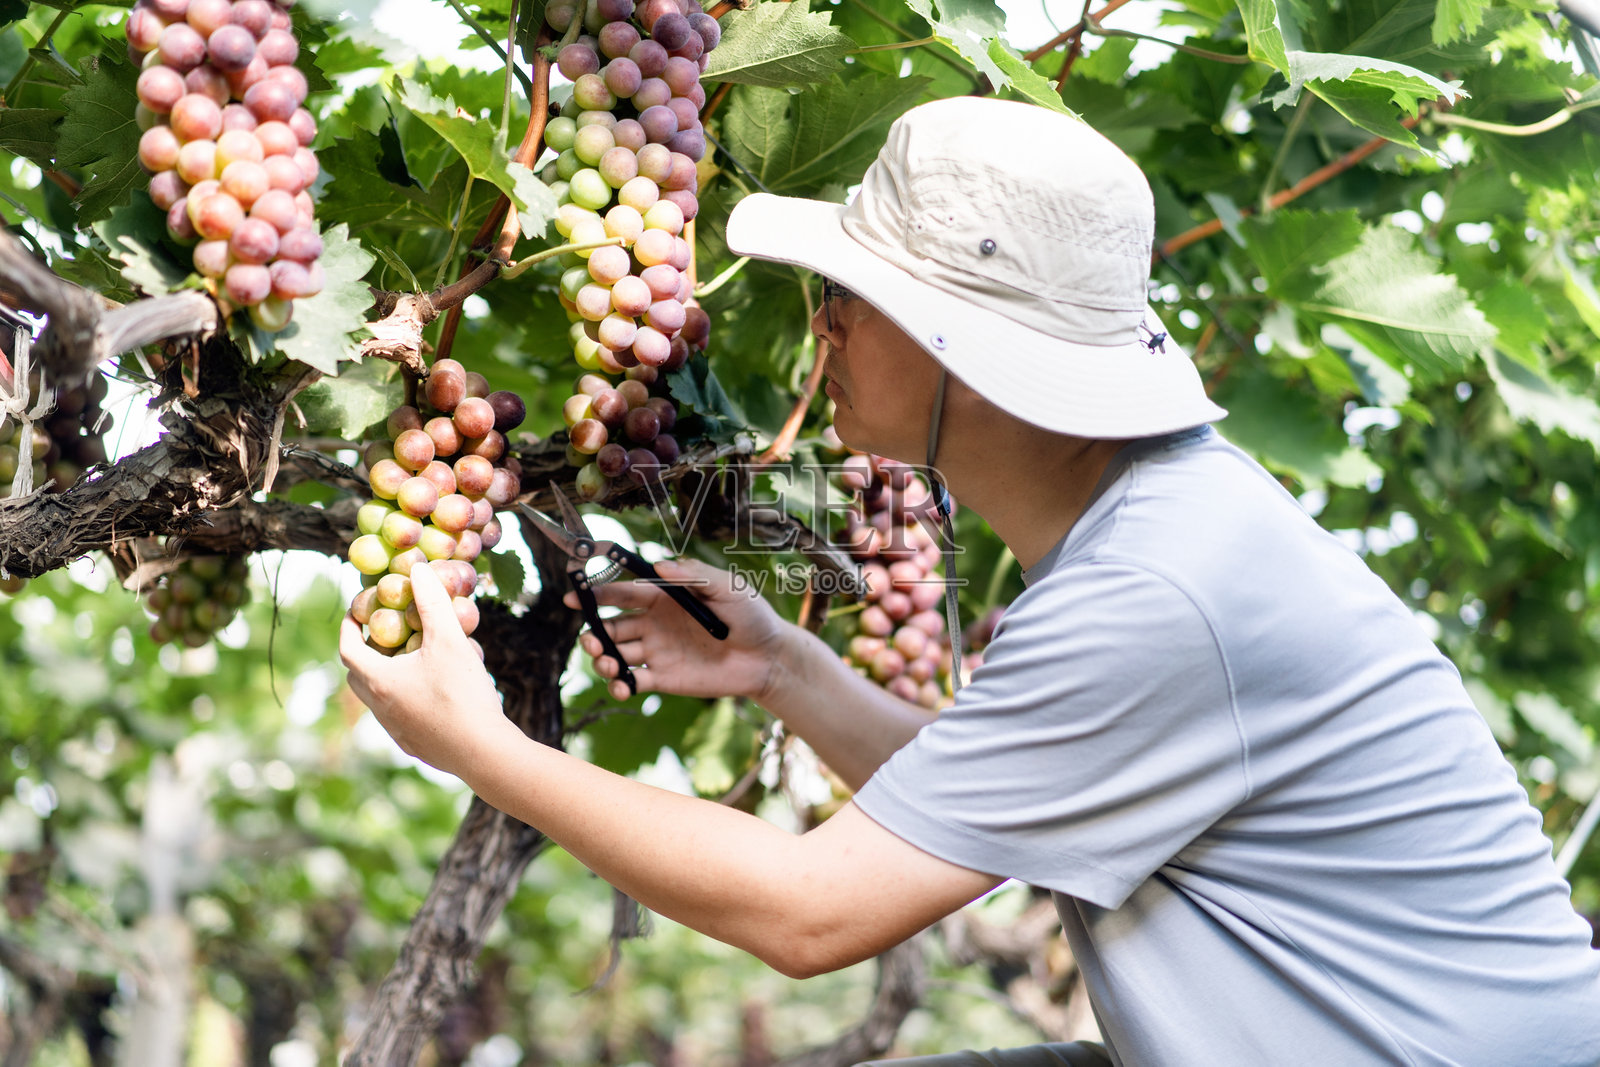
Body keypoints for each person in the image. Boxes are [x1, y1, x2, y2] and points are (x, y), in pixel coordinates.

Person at [341, 97, 1600, 1065]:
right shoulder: (1153, 530)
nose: (818, 324)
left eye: (849, 296)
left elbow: (807, 915)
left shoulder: (1156, 588)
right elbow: (988, 817)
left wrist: (479, 746)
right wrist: (782, 665)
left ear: (965, 346)